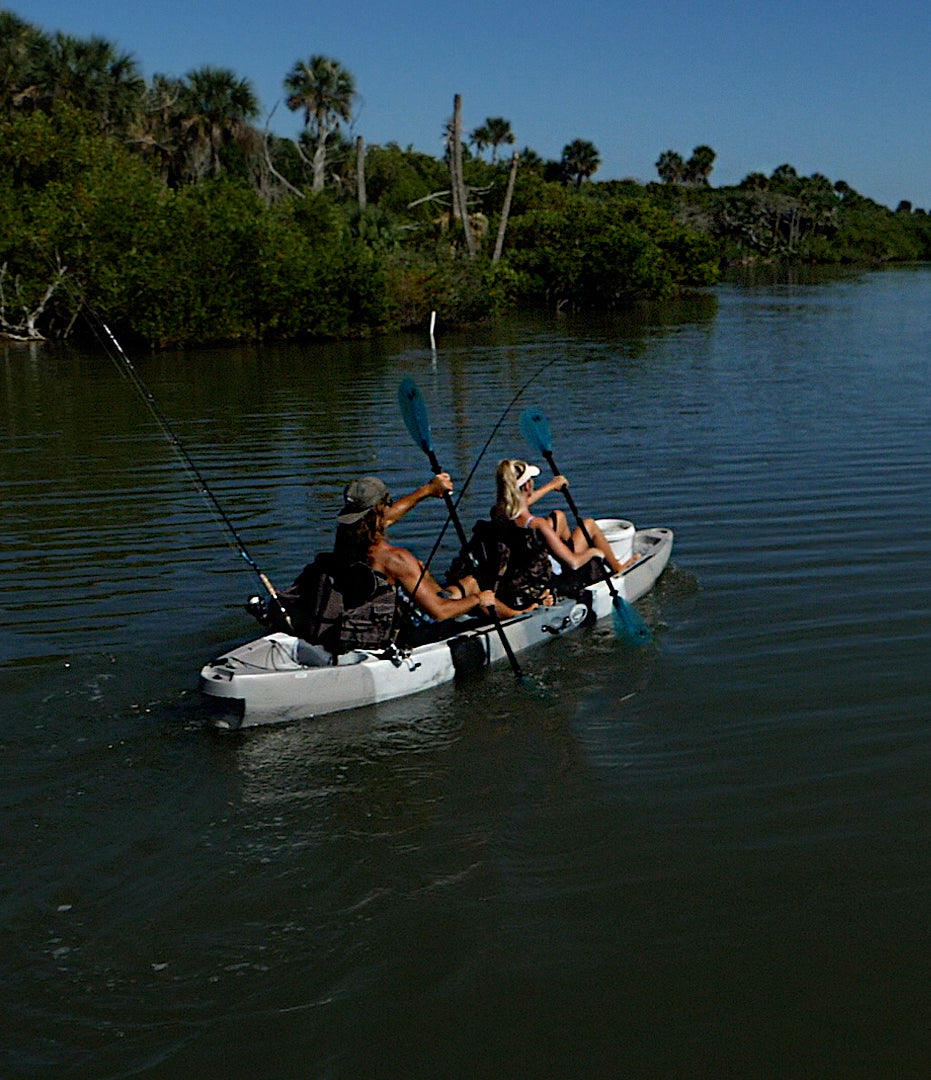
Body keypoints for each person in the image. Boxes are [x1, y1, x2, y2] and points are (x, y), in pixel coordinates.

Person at [449, 458, 629, 609]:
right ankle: (618, 568)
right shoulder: (537, 525)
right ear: (527, 485)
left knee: (558, 516)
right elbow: (573, 563)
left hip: (516, 575)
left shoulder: (499, 513)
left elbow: (519, 504)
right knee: (588, 525)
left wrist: (551, 486)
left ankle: (568, 547)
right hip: (546, 580)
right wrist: (595, 552)